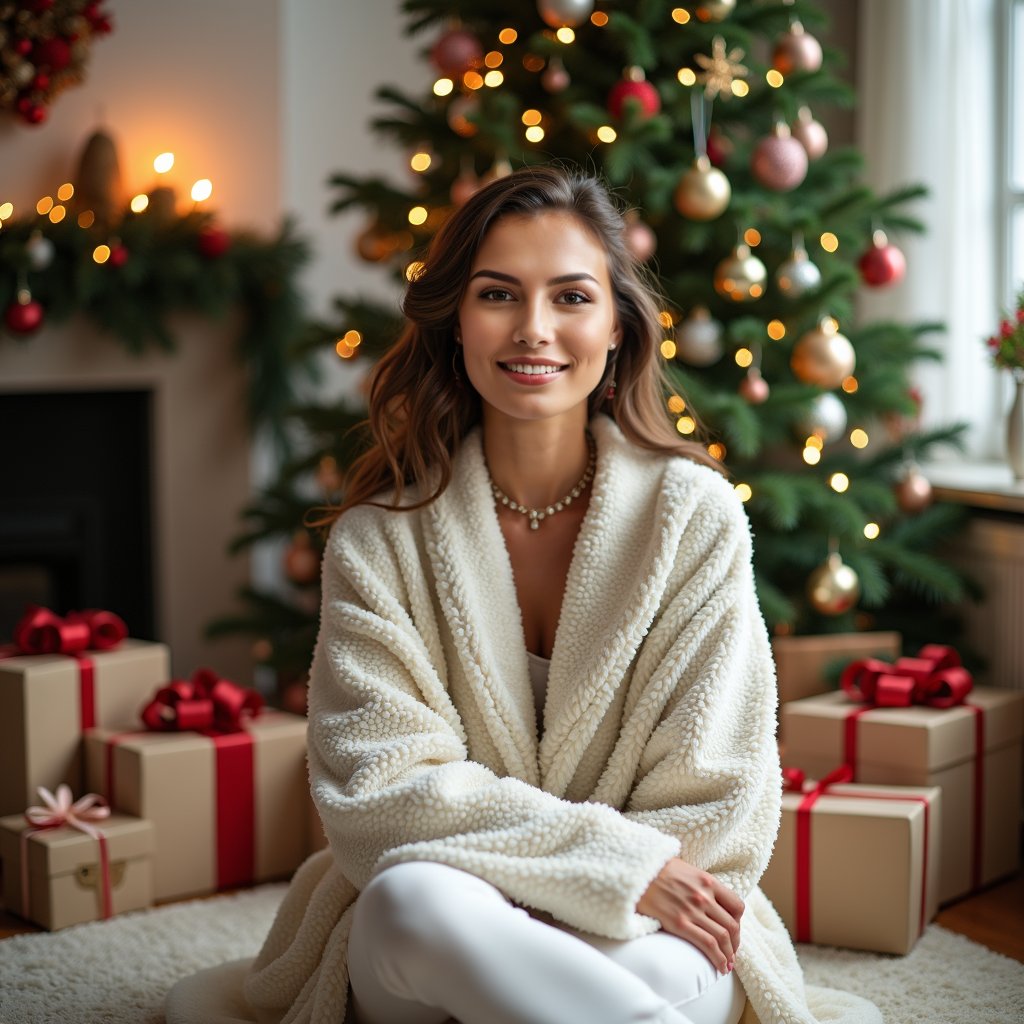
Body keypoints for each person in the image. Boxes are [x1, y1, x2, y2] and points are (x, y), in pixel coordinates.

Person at [243, 165, 881, 1024]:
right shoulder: (379, 540)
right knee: (409, 907)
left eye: (571, 297)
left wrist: (594, 894)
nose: (534, 330)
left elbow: (719, 798)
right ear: (456, 323)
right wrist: (601, 865)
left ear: (617, 326)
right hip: (450, 920)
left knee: (620, 977)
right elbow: (378, 793)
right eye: (499, 294)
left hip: (646, 935)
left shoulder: (694, 518)